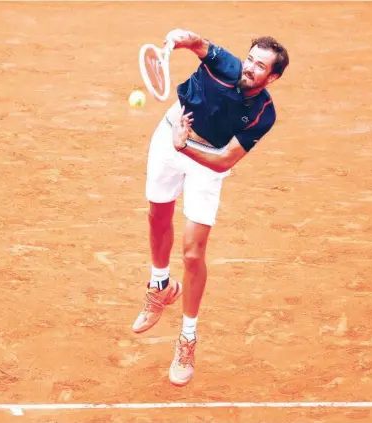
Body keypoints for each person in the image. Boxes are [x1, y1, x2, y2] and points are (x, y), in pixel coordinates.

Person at [131, 28, 290, 386]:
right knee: (157, 213)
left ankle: (187, 339)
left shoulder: (264, 113)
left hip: (205, 158)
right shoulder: (225, 64)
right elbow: (197, 42)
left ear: (273, 77)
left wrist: (184, 146)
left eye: (260, 66)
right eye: (250, 59)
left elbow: (223, 162)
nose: (249, 68)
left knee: (192, 254)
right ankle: (160, 286)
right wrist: (176, 39)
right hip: (171, 132)